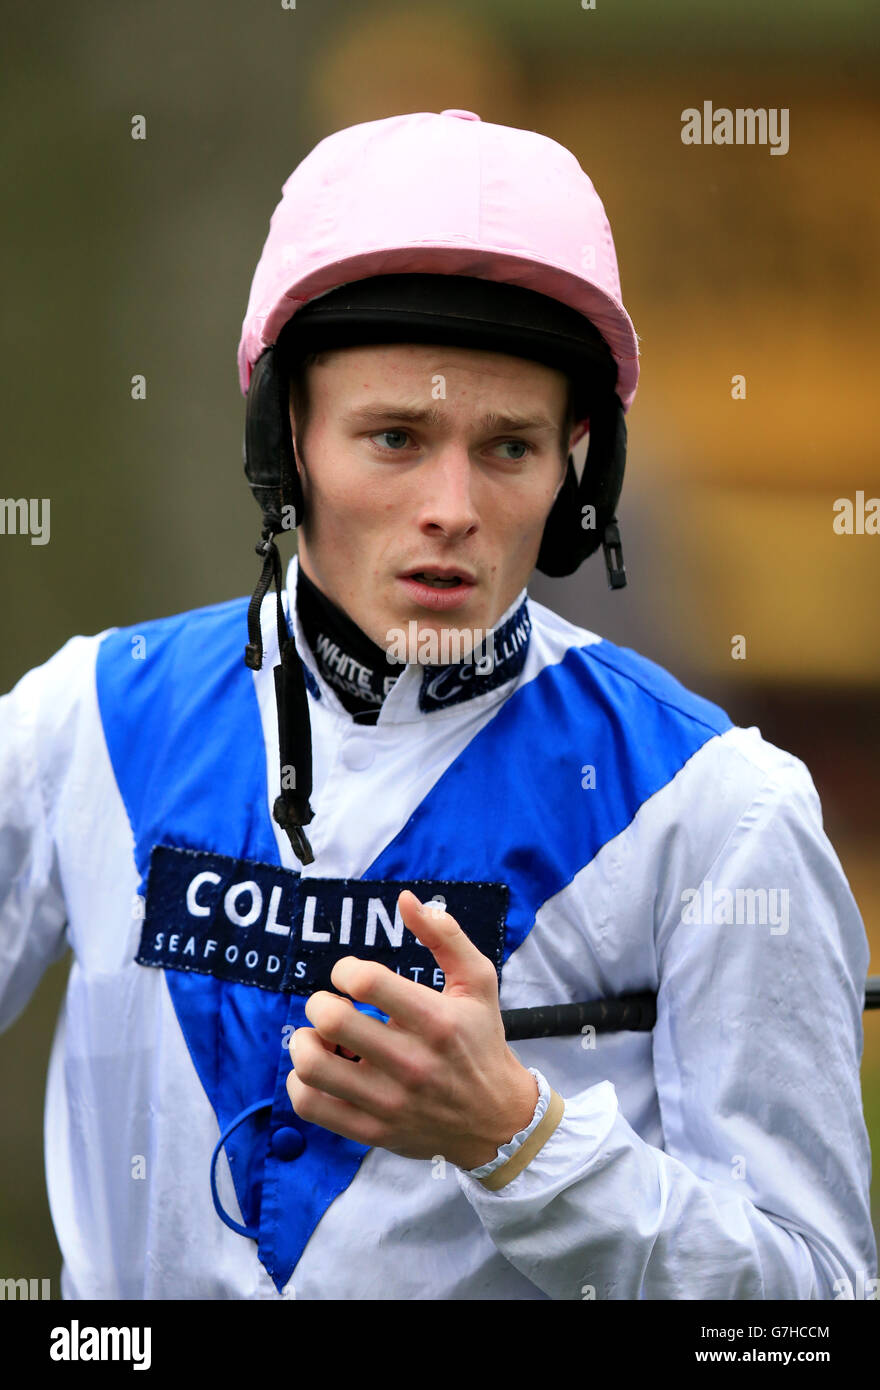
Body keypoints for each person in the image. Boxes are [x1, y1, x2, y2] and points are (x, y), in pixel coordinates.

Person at [0, 109, 875, 1302]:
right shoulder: (83, 722)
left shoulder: (723, 808)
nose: (451, 506)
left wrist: (516, 1139)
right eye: (396, 437)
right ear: (285, 443)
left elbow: (813, 1308)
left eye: (508, 448)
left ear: (580, 470)